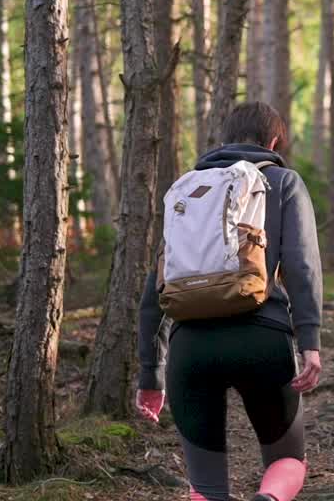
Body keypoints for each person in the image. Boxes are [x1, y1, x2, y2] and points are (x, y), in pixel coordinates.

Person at [135, 102, 324, 501]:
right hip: (262, 339)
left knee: (204, 486)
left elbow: (158, 286)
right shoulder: (284, 182)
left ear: (224, 137)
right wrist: (310, 343)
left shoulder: (187, 189)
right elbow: (302, 266)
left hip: (190, 348)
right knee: (286, 461)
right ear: (273, 141)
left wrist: (151, 374)